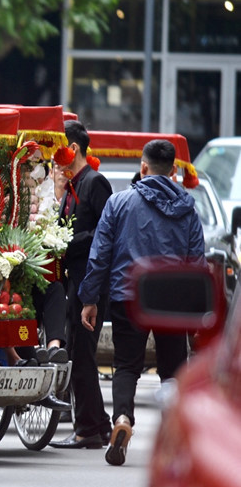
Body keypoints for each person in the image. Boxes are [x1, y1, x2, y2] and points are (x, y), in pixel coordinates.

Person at [79, 139, 205, 466]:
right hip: (172, 301)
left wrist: (90, 298)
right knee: (173, 371)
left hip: (127, 296)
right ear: (174, 171)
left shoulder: (120, 202)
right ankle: (175, 438)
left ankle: (122, 419)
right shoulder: (188, 208)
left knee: (126, 367)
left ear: (143, 167)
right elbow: (197, 262)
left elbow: (100, 255)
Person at [49, 121, 114, 450]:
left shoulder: (94, 182)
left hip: (89, 283)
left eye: (58, 150)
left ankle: (88, 428)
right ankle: (98, 424)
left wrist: (67, 239)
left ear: (72, 148)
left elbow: (106, 236)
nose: (54, 158)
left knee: (82, 355)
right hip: (75, 279)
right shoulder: (74, 185)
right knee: (79, 353)